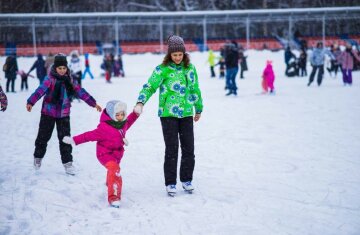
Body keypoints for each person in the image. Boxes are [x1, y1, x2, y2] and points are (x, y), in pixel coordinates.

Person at [134, 35, 203, 196]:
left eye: (180, 55)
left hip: (186, 113)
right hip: (168, 114)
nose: (178, 58)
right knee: (172, 148)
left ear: (184, 54)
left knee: (189, 148)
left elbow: (195, 89)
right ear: (169, 54)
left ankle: (186, 179)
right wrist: (140, 102)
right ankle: (171, 183)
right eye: (174, 55)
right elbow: (150, 86)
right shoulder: (162, 69)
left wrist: (198, 108)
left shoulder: (190, 69)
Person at [26, 53, 102, 175]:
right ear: (55, 68)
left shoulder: (69, 79)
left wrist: (93, 103)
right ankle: (38, 157)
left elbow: (80, 91)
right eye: (59, 68)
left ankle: (68, 163)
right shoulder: (49, 79)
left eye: (64, 68)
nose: (62, 71)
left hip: (64, 114)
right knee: (43, 137)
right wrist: (31, 101)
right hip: (48, 113)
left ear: (67, 68)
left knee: (65, 139)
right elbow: (40, 90)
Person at [62, 100, 140, 208]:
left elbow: (131, 119)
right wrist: (74, 140)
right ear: (111, 114)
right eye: (117, 115)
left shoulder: (123, 124)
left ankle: (109, 183)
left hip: (117, 153)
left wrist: (136, 113)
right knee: (114, 169)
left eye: (122, 114)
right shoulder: (104, 128)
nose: (121, 117)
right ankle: (114, 197)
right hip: (104, 154)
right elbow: (88, 136)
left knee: (113, 168)